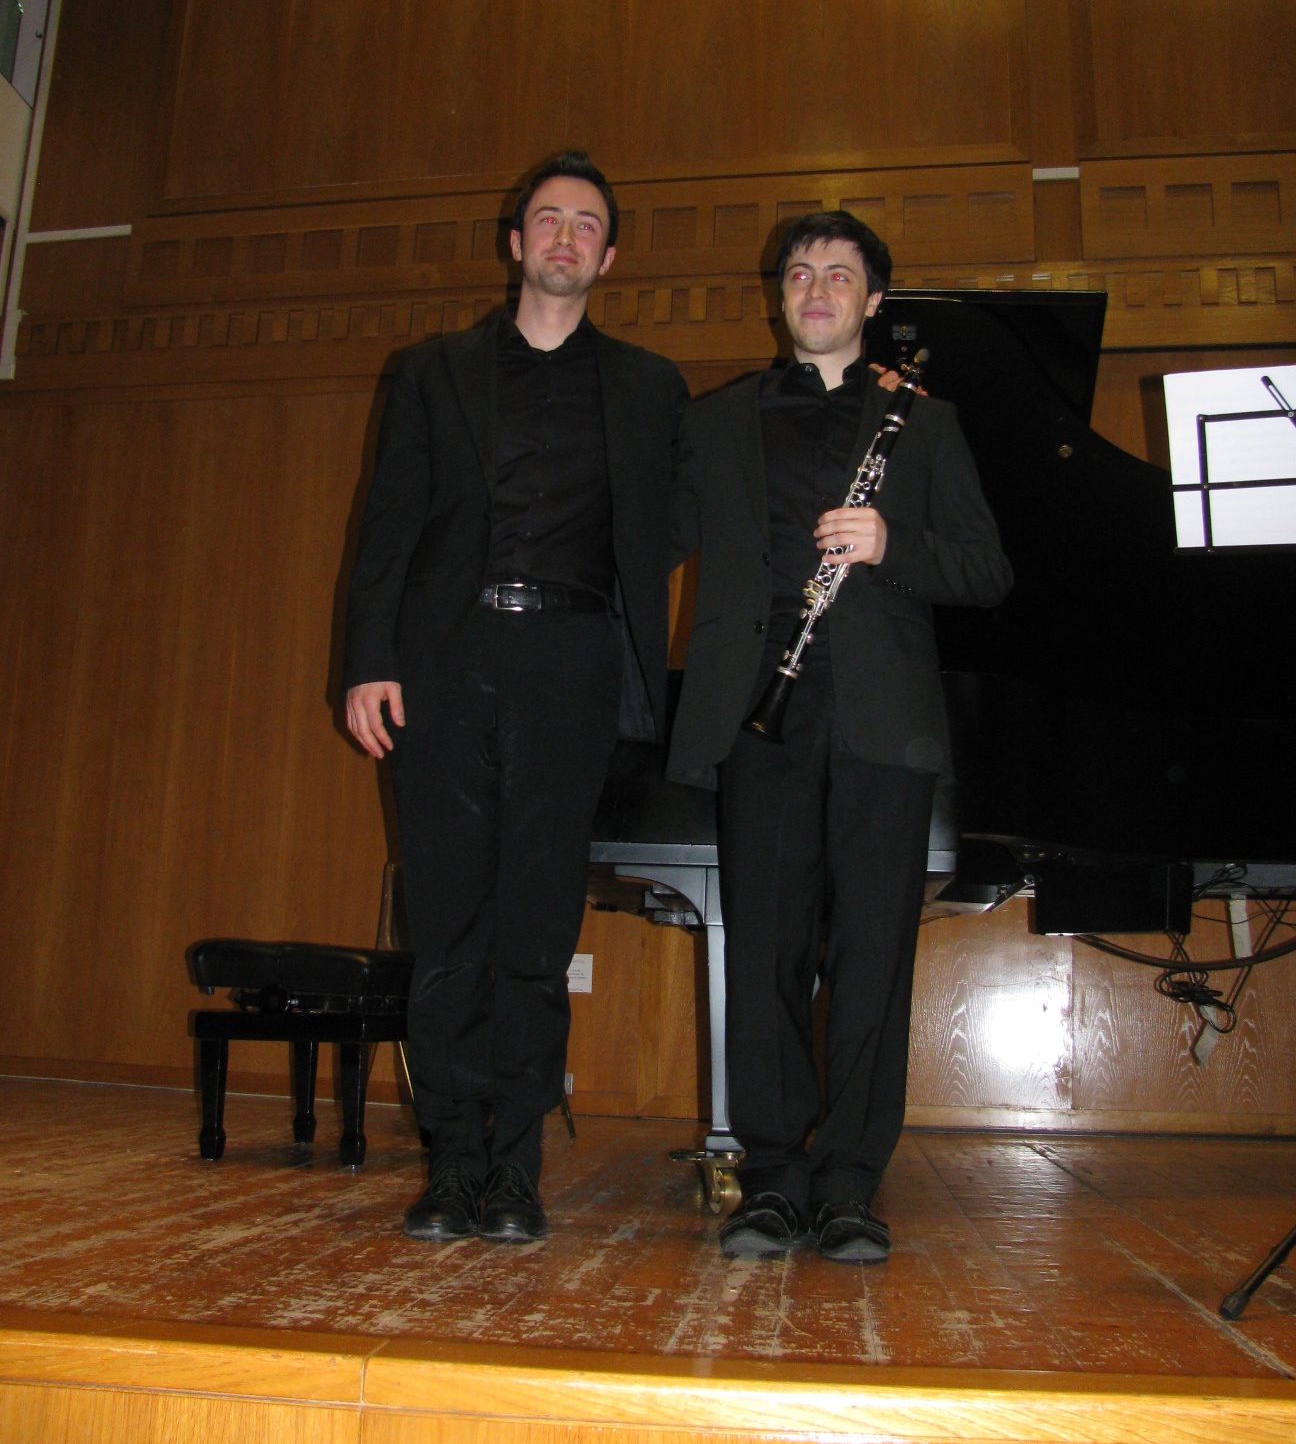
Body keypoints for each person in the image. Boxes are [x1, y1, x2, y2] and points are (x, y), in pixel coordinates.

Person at [344, 151, 687, 1245]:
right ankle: (452, 1162)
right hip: (445, 660)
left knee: (539, 930)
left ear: (608, 256)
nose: (565, 236)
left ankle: (517, 1169)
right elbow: (388, 527)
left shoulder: (650, 387)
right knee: (449, 921)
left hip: (573, 662)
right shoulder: (431, 371)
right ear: (516, 241)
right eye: (548, 219)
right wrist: (367, 660)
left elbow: (689, 514)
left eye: (586, 223)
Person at [667, 211, 1011, 1262]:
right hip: (757, 707)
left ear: (873, 301)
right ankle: (773, 1177)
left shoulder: (925, 424)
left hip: (880, 716)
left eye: (840, 276)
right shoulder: (716, 422)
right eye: (800, 274)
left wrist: (891, 541)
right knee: (764, 946)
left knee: (873, 953)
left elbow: (987, 572)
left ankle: (852, 1180)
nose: (816, 289)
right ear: (780, 295)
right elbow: (655, 532)